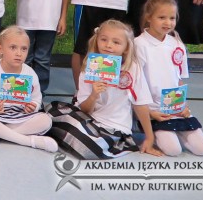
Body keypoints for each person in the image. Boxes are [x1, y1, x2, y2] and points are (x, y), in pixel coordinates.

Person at [45, 20, 162, 159]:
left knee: (89, 147)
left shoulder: (132, 68)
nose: (108, 45)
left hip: (115, 128)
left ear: (126, 48)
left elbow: (140, 103)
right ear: (97, 40)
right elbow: (85, 110)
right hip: (88, 119)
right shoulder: (89, 67)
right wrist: (94, 95)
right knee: (52, 112)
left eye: (116, 42)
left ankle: (64, 136)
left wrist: (149, 137)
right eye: (104, 39)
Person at [135, 0, 203, 156]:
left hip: (174, 108)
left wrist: (182, 106)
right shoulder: (139, 44)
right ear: (148, 17)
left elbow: (179, 80)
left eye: (172, 18)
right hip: (153, 110)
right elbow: (136, 85)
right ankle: (154, 132)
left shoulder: (176, 44)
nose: (168, 23)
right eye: (161, 17)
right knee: (173, 150)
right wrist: (150, 112)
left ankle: (176, 131)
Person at [0, 26, 57, 152]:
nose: (18, 53)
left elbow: (37, 99)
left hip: (19, 116)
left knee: (46, 120)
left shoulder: (30, 73)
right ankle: (27, 141)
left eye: (24, 49)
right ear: (0, 49)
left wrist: (33, 106)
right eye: (13, 47)